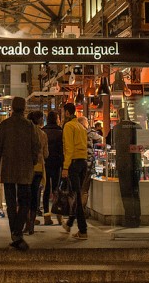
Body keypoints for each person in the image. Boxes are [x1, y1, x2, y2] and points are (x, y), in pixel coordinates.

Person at [0, 96, 39, 251]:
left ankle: (15, 233)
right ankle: (17, 232)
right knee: (25, 201)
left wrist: (1, 160)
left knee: (11, 203)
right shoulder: (29, 126)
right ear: (24, 108)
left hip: (8, 168)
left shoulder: (4, 125)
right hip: (25, 169)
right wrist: (31, 161)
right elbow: (35, 147)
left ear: (12, 108)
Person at [61, 102, 89, 240]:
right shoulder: (81, 127)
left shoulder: (69, 126)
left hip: (73, 164)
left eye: (63, 112)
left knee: (76, 197)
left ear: (67, 113)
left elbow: (69, 149)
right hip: (83, 163)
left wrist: (65, 167)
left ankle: (83, 230)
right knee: (75, 195)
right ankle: (70, 222)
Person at [113, 114, 141, 227]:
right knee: (135, 191)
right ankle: (137, 217)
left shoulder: (117, 128)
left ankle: (129, 218)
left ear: (120, 116)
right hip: (136, 163)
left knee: (126, 192)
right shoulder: (137, 126)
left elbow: (110, 143)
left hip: (123, 164)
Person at [26, 111, 48, 234]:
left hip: (25, 168)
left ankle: (26, 222)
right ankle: (32, 226)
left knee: (24, 196)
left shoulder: (24, 133)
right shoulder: (43, 134)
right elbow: (46, 154)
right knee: (35, 196)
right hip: (38, 168)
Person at [42, 110, 63, 225]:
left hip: (45, 163)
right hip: (57, 164)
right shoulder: (60, 132)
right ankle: (59, 214)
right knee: (56, 189)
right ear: (56, 119)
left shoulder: (43, 131)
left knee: (46, 189)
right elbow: (62, 150)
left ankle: (46, 215)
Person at [78, 115, 103, 208]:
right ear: (85, 123)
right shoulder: (90, 133)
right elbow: (101, 140)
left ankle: (75, 209)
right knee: (84, 190)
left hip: (76, 163)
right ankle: (82, 210)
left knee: (77, 189)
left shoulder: (75, 132)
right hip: (88, 164)